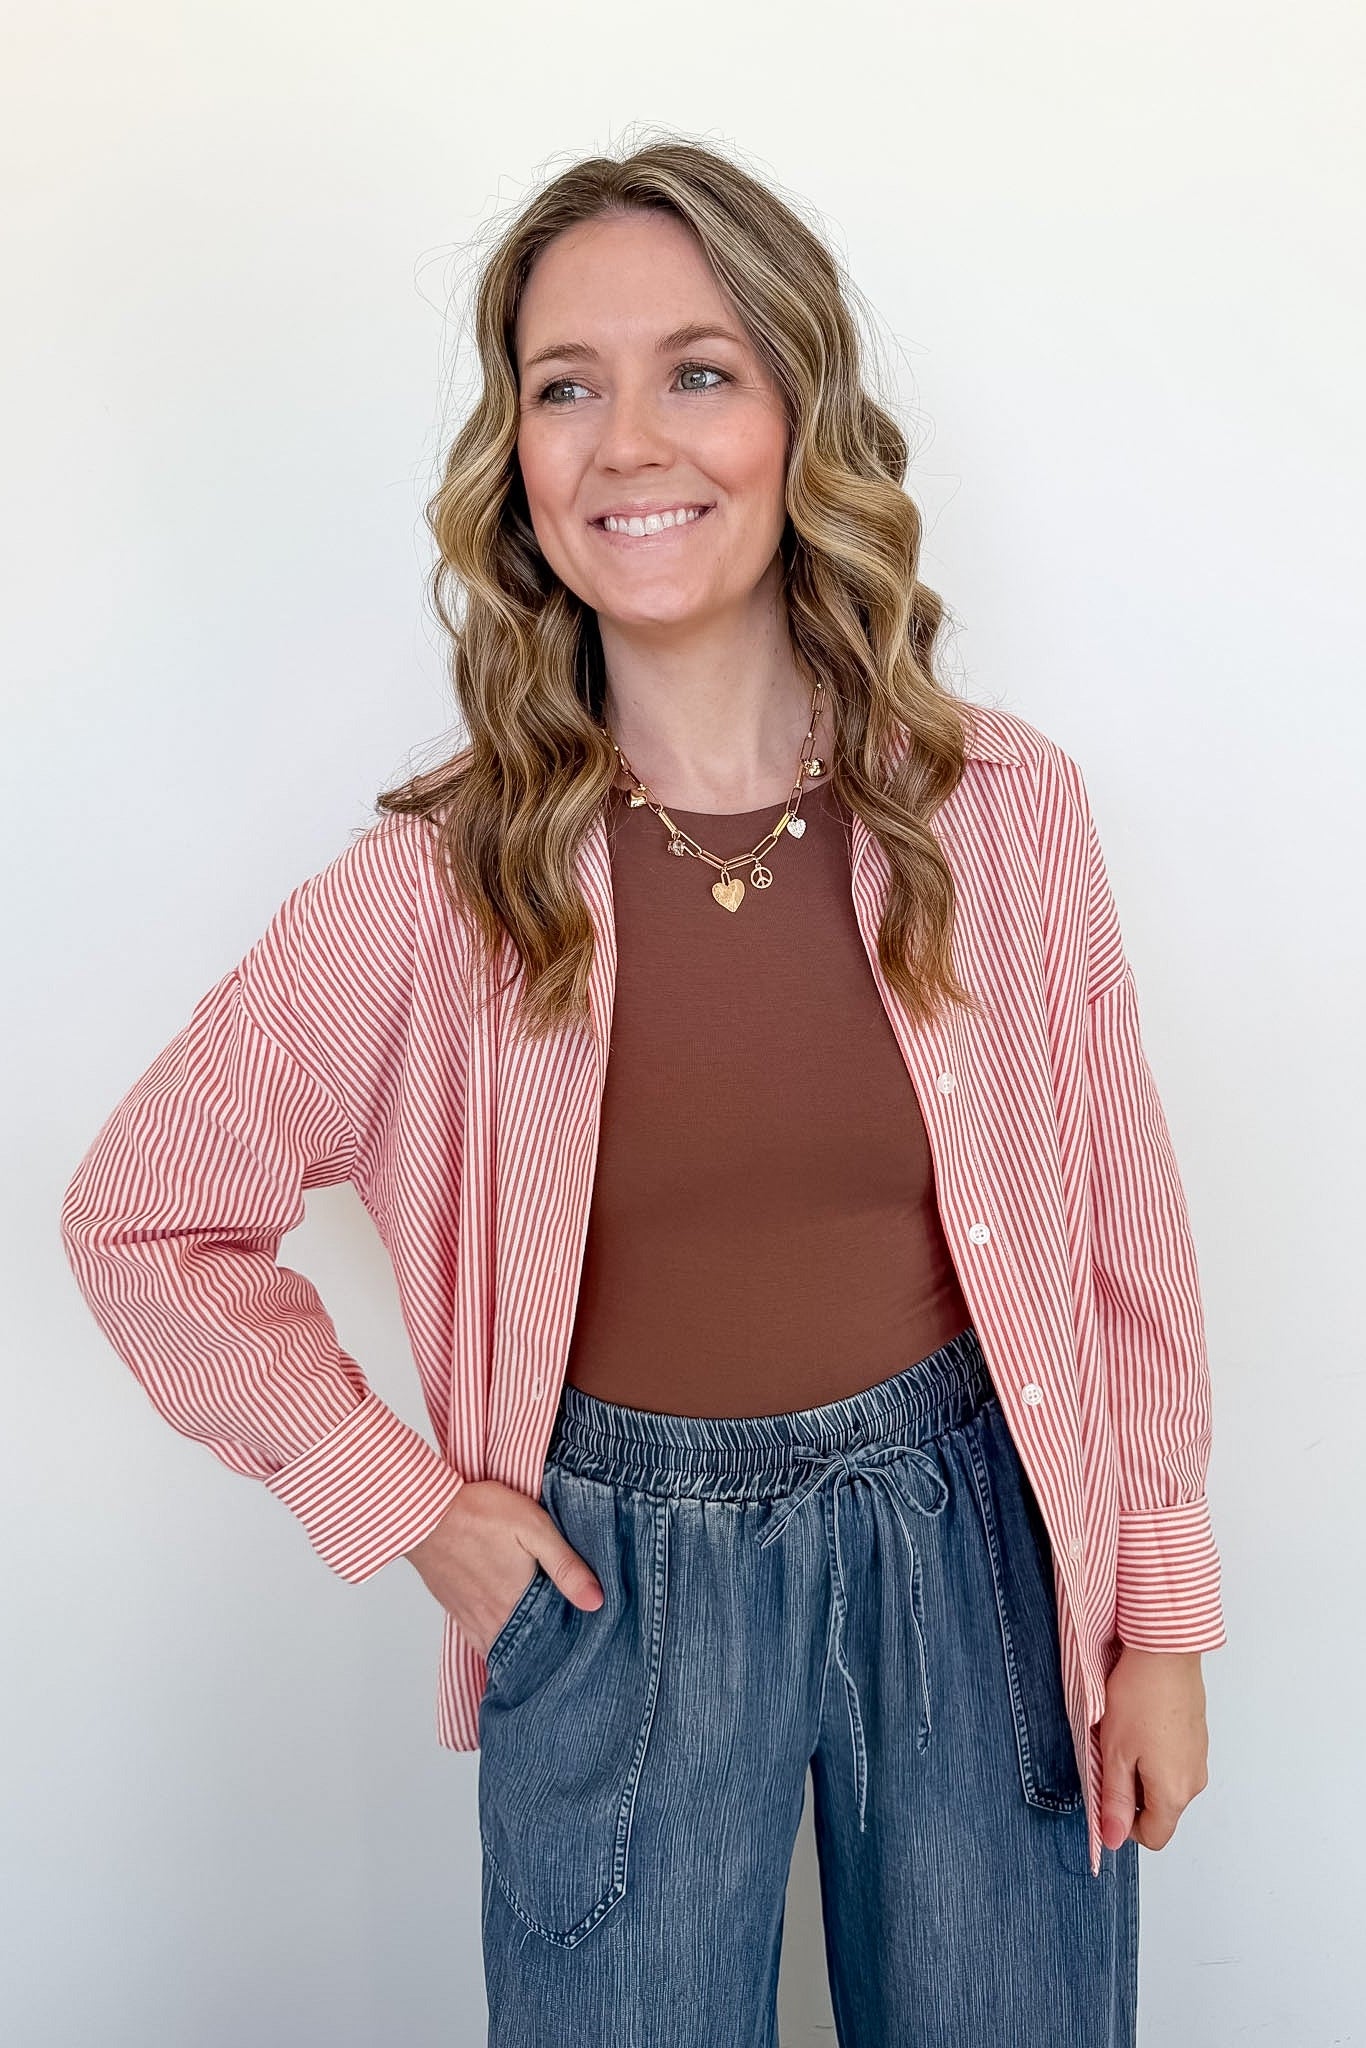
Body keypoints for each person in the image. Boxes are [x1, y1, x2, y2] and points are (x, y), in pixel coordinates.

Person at [59, 136, 1224, 2046]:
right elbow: (137, 1219)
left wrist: (1159, 1619)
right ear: (515, 460)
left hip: (981, 1558)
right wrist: (407, 1503)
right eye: (562, 387)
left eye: (695, 371)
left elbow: (1117, 1244)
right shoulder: (439, 890)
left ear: (795, 411)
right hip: (612, 1590)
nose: (628, 442)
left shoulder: (999, 813)